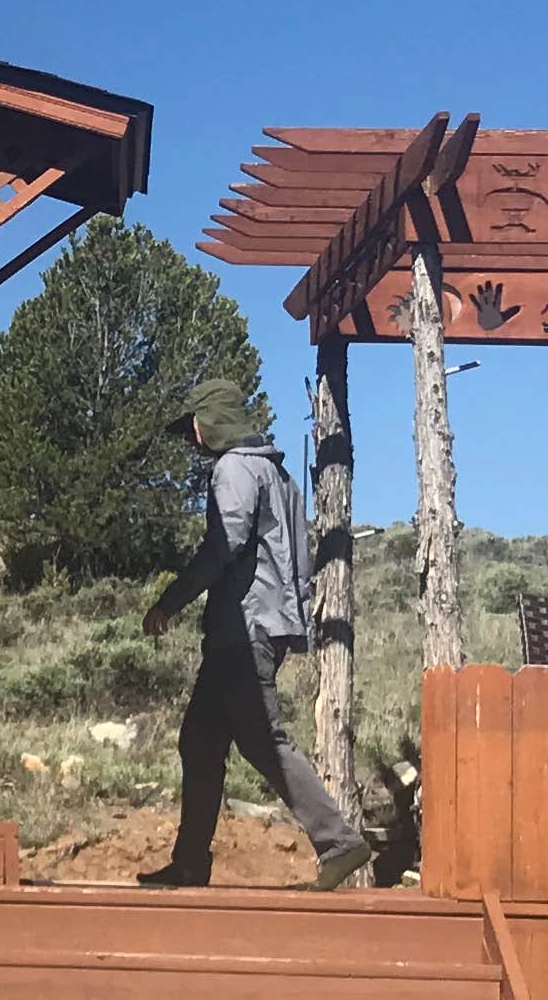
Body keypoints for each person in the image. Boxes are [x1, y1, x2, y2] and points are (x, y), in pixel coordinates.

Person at [134, 377, 375, 889]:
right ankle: (189, 864)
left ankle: (339, 841)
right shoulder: (279, 475)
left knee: (264, 742)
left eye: (194, 426)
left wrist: (170, 602)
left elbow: (224, 545)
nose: (192, 437)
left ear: (211, 421)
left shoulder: (234, 470)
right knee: (200, 740)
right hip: (263, 626)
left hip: (243, 631)